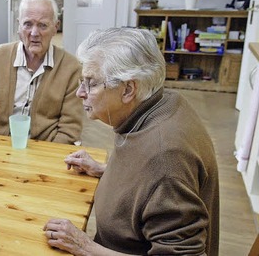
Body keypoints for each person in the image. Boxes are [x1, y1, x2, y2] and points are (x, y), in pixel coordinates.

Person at [43, 28, 219, 255]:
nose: (80, 92)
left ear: (128, 89)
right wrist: (104, 170)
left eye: (91, 83)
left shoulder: (166, 157)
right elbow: (148, 184)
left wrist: (84, 246)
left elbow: (162, 176)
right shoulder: (162, 103)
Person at [0, 0, 83, 144]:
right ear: (19, 25)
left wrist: (43, 157)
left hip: (46, 150)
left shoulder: (71, 67)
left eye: (43, 25)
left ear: (55, 27)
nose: (34, 33)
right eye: (28, 24)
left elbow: (70, 127)